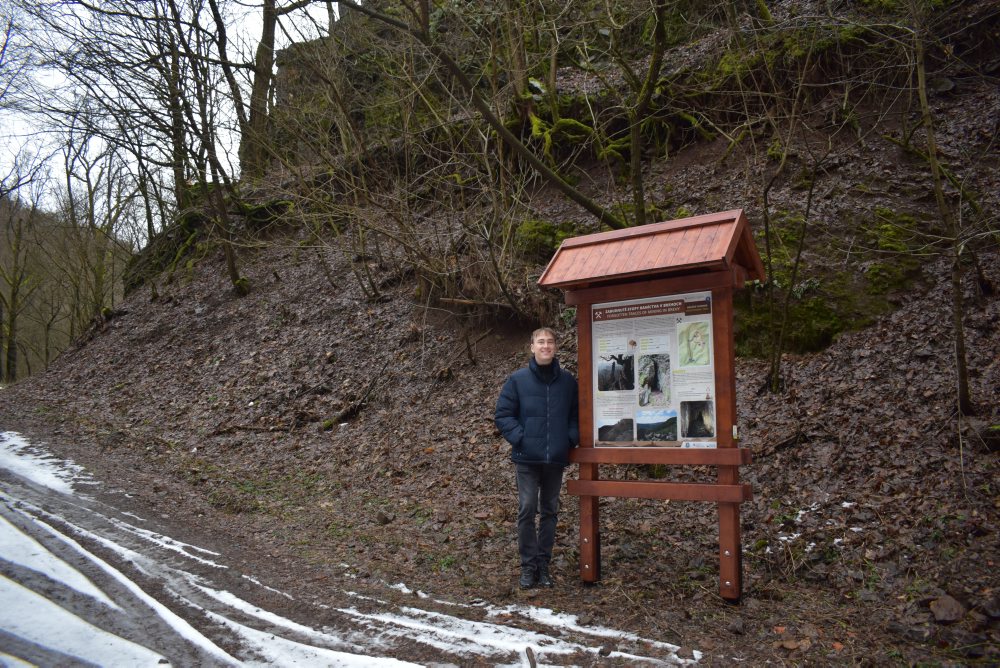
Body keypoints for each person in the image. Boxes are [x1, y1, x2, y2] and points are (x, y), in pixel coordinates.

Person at [495, 327, 579, 589]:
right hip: (526, 459)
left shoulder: (567, 381)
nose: (545, 346)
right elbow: (503, 415)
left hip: (555, 458)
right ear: (531, 347)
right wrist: (521, 437)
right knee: (528, 508)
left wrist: (569, 439)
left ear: (555, 347)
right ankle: (528, 566)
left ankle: (544, 565)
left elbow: (576, 415)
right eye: (540, 342)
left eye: (550, 342)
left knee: (550, 511)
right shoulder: (517, 380)